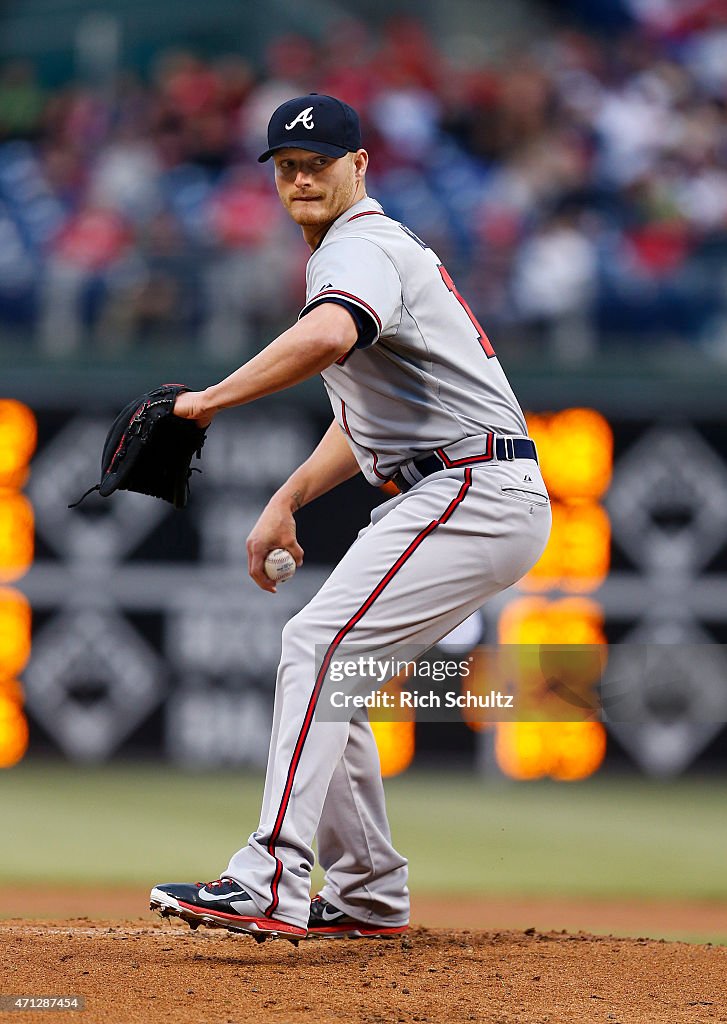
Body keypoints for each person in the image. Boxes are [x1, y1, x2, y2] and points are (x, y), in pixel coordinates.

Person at [150, 94, 551, 943]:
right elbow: (364, 412)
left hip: (471, 488)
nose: (301, 178)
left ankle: (269, 875)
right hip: (464, 485)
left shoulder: (359, 245)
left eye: (319, 163)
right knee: (340, 668)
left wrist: (208, 402)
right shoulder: (363, 250)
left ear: (359, 166)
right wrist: (287, 497)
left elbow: (331, 336)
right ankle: (368, 892)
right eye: (287, 167)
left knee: (316, 645)